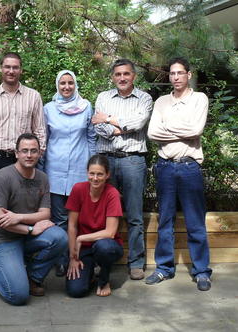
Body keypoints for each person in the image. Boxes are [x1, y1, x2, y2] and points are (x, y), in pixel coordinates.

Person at [0, 133, 68, 305]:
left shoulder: (42, 178)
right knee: (17, 296)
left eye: (33, 151)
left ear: (40, 153)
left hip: (26, 236)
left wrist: (18, 217)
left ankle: (33, 278)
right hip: (3, 240)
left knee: (60, 237)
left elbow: (45, 214)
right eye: (24, 151)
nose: (29, 155)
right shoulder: (2, 178)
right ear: (16, 153)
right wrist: (31, 229)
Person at [146, 57, 212, 291]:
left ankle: (202, 271)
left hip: (188, 167)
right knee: (165, 220)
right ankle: (164, 268)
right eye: (172, 74)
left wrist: (168, 128)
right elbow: (153, 132)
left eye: (179, 73)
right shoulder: (162, 101)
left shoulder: (199, 99)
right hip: (165, 167)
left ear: (188, 75)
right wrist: (182, 131)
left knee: (195, 222)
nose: (175, 77)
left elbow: (196, 129)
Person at [92, 59, 152, 280]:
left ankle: (136, 262)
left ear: (133, 76)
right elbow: (99, 128)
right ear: (112, 77)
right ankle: (102, 259)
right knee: (104, 213)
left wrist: (109, 119)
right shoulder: (103, 97)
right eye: (118, 74)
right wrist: (120, 126)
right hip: (106, 161)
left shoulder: (144, 98)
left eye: (126, 74)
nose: (122, 78)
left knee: (134, 214)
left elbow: (138, 123)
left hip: (133, 161)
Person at [41, 70, 96, 277]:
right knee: (59, 220)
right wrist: (41, 169)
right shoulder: (48, 109)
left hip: (80, 172)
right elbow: (44, 139)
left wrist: (93, 168)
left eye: (70, 83)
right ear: (57, 85)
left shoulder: (86, 106)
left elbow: (91, 138)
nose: (66, 87)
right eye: (62, 83)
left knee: (79, 218)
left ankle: (81, 258)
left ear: (75, 85)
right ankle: (61, 260)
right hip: (54, 170)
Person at [0, 52, 46, 202]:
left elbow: (39, 130)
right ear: (1, 68)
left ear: (21, 70)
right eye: (7, 67)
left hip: (24, 159)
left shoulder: (33, 96)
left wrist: (34, 156)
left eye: (15, 67)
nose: (11, 71)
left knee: (24, 204)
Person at [66, 154, 124, 297]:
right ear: (87, 173)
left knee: (103, 247)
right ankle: (89, 274)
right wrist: (73, 258)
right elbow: (72, 226)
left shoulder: (112, 194)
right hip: (85, 249)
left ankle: (104, 280)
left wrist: (81, 238)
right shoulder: (78, 189)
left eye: (100, 174)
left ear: (107, 175)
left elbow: (110, 233)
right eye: (92, 173)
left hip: (108, 245)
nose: (95, 178)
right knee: (75, 291)